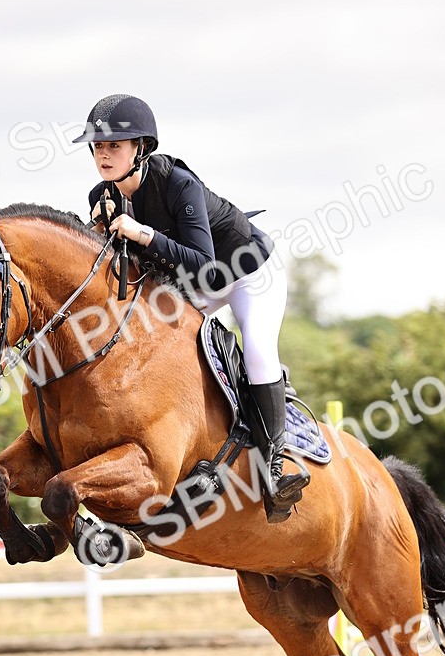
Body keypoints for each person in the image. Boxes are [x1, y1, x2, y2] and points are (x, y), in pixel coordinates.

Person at [72, 93, 309, 523]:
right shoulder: (102, 195)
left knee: (256, 349)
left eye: (114, 146)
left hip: (245, 272)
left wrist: (142, 234)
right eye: (99, 147)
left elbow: (206, 266)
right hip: (193, 285)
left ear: (140, 149)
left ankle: (275, 467)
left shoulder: (178, 184)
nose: (104, 155)